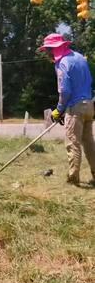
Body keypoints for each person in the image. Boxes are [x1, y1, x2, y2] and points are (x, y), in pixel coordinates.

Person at [39, 33, 95, 185]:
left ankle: (73, 178)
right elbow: (91, 81)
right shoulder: (79, 57)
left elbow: (65, 91)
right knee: (89, 142)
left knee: (72, 142)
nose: (48, 53)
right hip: (89, 105)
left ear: (54, 49)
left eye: (48, 50)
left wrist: (59, 109)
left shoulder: (62, 63)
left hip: (75, 107)